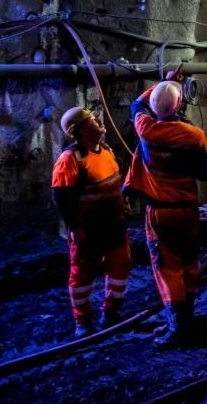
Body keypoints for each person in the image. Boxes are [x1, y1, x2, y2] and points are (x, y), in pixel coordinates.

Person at [124, 73, 207, 347]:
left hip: (161, 213)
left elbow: (137, 105)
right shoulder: (196, 136)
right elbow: (204, 173)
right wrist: (173, 88)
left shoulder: (146, 130)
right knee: (188, 264)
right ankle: (187, 319)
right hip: (187, 210)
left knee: (167, 268)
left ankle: (179, 327)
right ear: (180, 104)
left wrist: (163, 82)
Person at [52, 107, 132, 339]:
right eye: (93, 121)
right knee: (82, 276)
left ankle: (111, 313)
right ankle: (83, 323)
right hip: (88, 232)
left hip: (114, 227)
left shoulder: (105, 150)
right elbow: (62, 198)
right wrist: (75, 228)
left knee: (120, 268)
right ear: (82, 131)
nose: (99, 122)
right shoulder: (70, 160)